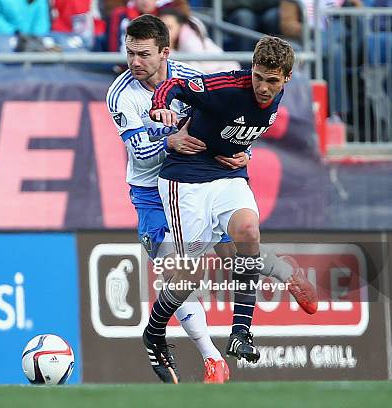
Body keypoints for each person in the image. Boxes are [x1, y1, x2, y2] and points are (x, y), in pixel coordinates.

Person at [106, 14, 317, 384]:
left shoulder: (190, 78)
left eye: (143, 54)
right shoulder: (121, 93)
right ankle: (212, 357)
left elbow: (236, 115)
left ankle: (280, 276)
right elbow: (139, 152)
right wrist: (168, 140)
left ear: (165, 53)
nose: (134, 62)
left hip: (203, 177)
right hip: (152, 192)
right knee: (183, 271)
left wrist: (244, 150)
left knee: (234, 252)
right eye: (130, 53)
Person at [158, 7, 240, 73]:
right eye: (161, 27)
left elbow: (192, 71)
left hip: (226, 73)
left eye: (169, 27)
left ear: (180, 26)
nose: (164, 31)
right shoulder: (180, 39)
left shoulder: (190, 41)